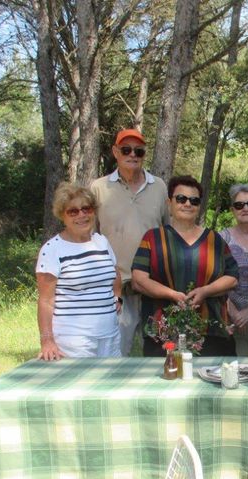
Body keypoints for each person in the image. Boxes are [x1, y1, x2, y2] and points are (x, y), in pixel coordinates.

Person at [131, 175, 238, 357]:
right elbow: (139, 280)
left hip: (211, 333)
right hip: (163, 333)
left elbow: (233, 277)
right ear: (169, 203)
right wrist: (172, 295)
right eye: (181, 199)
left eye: (194, 200)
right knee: (166, 375)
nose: (188, 204)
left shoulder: (214, 240)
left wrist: (205, 291)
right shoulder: (153, 238)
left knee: (214, 375)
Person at [91, 128, 169, 356]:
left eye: (139, 151)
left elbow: (168, 233)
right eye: (126, 150)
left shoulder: (159, 187)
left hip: (153, 287)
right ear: (115, 152)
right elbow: (90, 236)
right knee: (115, 355)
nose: (132, 155)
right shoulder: (98, 188)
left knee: (159, 354)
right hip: (116, 289)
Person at [36, 182, 122, 361]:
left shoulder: (101, 242)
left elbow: (115, 274)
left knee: (111, 379)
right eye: (73, 211)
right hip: (74, 340)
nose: (81, 215)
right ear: (62, 215)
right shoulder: (52, 249)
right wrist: (47, 341)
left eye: (86, 209)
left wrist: (117, 298)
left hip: (110, 335)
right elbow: (45, 301)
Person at [219, 184, 248, 357]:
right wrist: (234, 313)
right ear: (232, 210)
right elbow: (214, 278)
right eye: (239, 205)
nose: (246, 208)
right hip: (229, 315)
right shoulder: (221, 238)